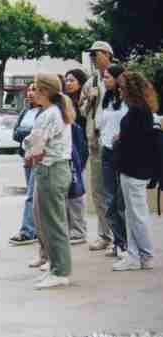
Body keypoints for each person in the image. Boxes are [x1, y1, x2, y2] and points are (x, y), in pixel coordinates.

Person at [24, 73, 74, 289]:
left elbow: (35, 146)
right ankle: (56, 267)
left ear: (45, 91)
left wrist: (29, 151)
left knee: (53, 223)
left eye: (36, 88)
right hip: (56, 169)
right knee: (51, 222)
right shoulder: (55, 112)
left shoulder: (48, 115)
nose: (32, 92)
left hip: (51, 170)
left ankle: (61, 271)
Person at [113, 71, 158, 271]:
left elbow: (135, 143)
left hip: (134, 169)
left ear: (129, 90)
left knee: (137, 214)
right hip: (135, 168)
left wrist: (118, 141)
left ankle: (145, 255)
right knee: (133, 213)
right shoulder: (142, 110)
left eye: (122, 88)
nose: (119, 91)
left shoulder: (137, 112)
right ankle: (134, 254)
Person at [81, 41, 114, 251]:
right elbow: (82, 110)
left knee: (115, 191)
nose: (93, 58)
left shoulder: (118, 77)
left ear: (108, 54)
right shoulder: (91, 82)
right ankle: (105, 235)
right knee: (98, 190)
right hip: (95, 139)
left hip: (115, 140)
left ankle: (120, 237)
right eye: (91, 55)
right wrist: (89, 101)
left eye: (96, 54)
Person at [97, 64, 128, 258]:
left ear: (118, 78)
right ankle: (119, 242)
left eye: (108, 77)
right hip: (107, 151)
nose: (104, 80)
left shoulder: (128, 99)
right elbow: (99, 123)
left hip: (123, 152)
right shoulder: (106, 99)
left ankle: (126, 243)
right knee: (109, 200)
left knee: (121, 201)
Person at [9, 83, 41, 246]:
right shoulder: (26, 111)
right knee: (32, 194)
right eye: (29, 89)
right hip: (26, 157)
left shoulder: (45, 112)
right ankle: (34, 229)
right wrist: (27, 132)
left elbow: (38, 133)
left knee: (31, 195)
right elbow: (16, 133)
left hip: (37, 157)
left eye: (34, 89)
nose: (30, 93)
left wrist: (25, 132)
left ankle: (27, 231)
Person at [65, 69, 89, 245]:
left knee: (77, 191)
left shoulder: (84, 103)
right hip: (66, 150)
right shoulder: (64, 102)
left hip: (80, 150)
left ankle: (79, 230)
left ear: (81, 82)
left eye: (72, 80)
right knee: (67, 192)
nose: (68, 83)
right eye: (66, 80)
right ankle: (70, 228)